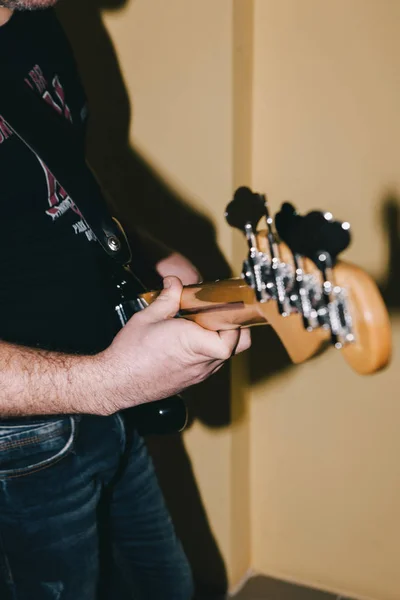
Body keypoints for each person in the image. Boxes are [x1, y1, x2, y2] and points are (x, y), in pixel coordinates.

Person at [0, 1, 251, 599]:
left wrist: (148, 254)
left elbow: (53, 187)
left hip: (109, 401)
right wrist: (105, 382)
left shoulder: (37, 20)